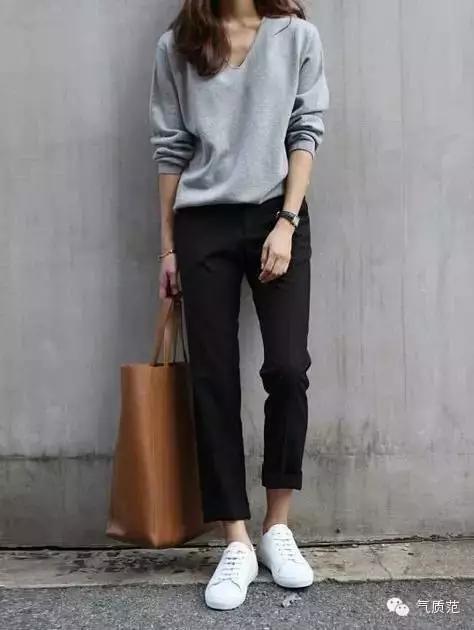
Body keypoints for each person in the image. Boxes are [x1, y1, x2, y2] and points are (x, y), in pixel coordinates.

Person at [149, 0, 329, 611]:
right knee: (213, 378)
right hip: (202, 225)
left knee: (288, 368)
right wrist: (167, 249)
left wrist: (287, 221)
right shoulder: (178, 45)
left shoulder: (296, 37)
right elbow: (170, 148)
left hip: (278, 216)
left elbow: (305, 131)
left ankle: (278, 528)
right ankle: (235, 540)